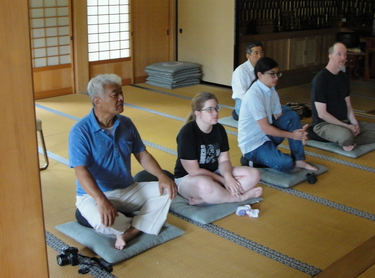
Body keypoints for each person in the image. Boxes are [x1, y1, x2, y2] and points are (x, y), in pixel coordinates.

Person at [69, 74, 177, 250]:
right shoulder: (80, 131)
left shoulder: (126, 123)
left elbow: (142, 154)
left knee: (168, 190)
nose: (121, 98)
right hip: (94, 195)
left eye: (121, 93)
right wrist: (101, 200)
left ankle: (131, 231)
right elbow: (81, 171)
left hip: (128, 189)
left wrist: (161, 176)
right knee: (101, 222)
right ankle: (144, 223)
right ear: (98, 101)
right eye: (114, 95)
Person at [174, 92, 262, 206]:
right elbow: (194, 171)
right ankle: (239, 198)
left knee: (253, 174)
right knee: (204, 185)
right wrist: (224, 181)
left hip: (215, 171)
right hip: (189, 179)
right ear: (198, 113)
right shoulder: (187, 134)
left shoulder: (219, 129)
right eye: (210, 109)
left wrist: (228, 177)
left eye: (216, 108)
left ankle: (209, 199)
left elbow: (224, 160)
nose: (215, 113)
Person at [237, 57, 318, 173]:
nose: (276, 78)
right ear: (260, 74)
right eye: (272, 74)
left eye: (277, 74)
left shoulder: (271, 90)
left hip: (267, 137)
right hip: (254, 145)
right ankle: (250, 160)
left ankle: (299, 159)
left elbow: (280, 117)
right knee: (287, 164)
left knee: (292, 115)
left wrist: (299, 132)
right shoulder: (253, 95)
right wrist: (292, 135)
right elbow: (266, 128)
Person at [310, 43, 375, 151]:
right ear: (330, 56)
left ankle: (347, 140)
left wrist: (354, 124)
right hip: (325, 125)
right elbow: (322, 114)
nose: (343, 58)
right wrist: (346, 127)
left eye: (345, 55)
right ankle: (342, 138)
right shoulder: (320, 80)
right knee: (346, 136)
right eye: (339, 54)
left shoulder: (344, 77)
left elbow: (348, 105)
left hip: (344, 122)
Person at [231, 41, 264, 120]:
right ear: (248, 56)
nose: (260, 56)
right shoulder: (241, 71)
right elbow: (243, 95)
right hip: (244, 104)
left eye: (261, 52)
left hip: (259, 101)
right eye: (256, 53)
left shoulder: (263, 68)